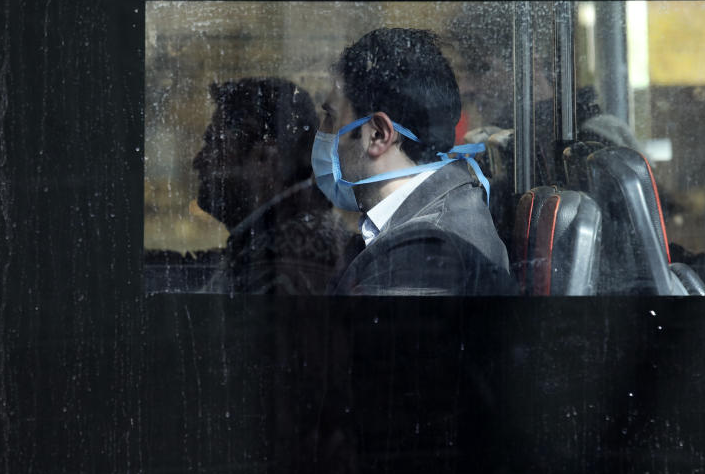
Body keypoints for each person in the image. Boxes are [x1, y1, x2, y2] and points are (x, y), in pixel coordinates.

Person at [312, 28, 515, 295]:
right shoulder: (420, 222)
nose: (322, 131)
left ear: (377, 135)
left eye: (331, 117)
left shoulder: (427, 252)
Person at [192, 77, 350, 295]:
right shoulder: (282, 238)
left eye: (215, 144)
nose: (198, 161)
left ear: (265, 158)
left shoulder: (288, 253)